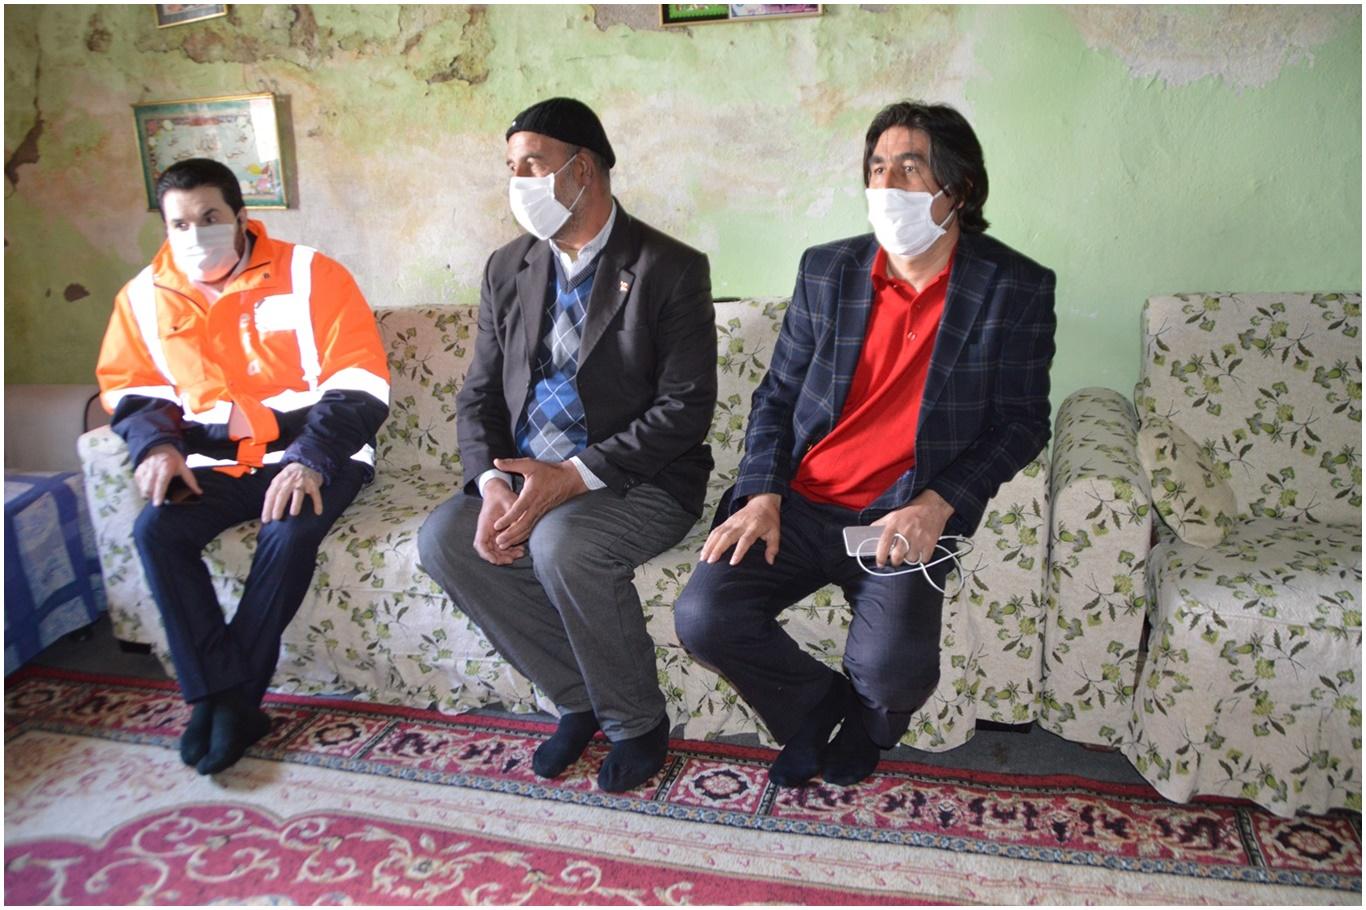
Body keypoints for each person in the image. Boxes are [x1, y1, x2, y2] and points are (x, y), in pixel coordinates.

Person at [675, 101, 1056, 788]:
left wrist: (938, 503)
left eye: (909, 169)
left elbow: (1022, 421)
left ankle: (869, 724)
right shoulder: (829, 270)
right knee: (703, 616)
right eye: (876, 168)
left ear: (959, 189)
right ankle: (818, 707)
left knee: (895, 676)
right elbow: (776, 397)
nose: (886, 185)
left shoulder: (1014, 287)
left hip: (899, 513)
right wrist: (761, 494)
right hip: (799, 502)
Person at [417, 98, 716, 793]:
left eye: (532, 164)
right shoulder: (508, 267)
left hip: (638, 479)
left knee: (563, 543)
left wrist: (575, 476)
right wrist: (494, 486)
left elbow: (684, 409)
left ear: (583, 170)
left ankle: (636, 721)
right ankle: (577, 698)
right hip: (528, 474)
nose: (517, 181)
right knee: (445, 539)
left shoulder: (668, 267)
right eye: (511, 167)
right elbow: (479, 395)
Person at [96, 157, 390, 775]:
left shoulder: (310, 273)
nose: (194, 234)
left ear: (240, 217)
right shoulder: (143, 296)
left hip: (316, 456)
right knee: (156, 529)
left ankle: (234, 702)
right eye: (179, 223)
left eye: (209, 217)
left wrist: (311, 459)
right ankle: (215, 693)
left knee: (288, 531)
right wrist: (157, 447)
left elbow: (359, 381)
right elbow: (132, 389)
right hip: (213, 465)